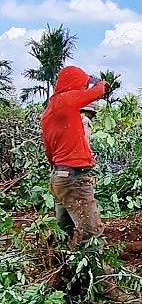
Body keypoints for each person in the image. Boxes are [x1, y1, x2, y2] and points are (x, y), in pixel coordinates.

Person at [40, 66, 109, 247]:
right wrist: (101, 83)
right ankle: (101, 274)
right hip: (74, 178)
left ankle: (57, 267)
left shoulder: (49, 112)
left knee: (63, 230)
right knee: (91, 233)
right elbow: (98, 91)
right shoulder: (65, 101)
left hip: (60, 176)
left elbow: (49, 151)